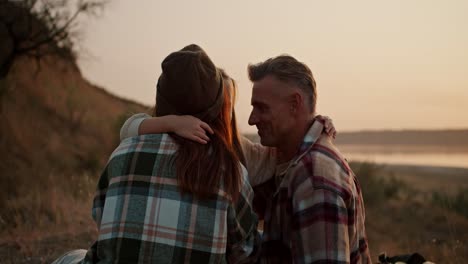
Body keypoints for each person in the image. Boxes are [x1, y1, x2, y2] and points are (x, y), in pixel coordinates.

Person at [53, 44, 260, 264]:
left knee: (70, 257)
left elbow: (101, 217)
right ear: (218, 108)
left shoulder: (123, 154)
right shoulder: (232, 171)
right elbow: (244, 249)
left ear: (161, 100)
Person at [247, 55, 371, 263]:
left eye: (262, 108)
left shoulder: (314, 182)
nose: (252, 119)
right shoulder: (291, 162)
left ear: (295, 104)